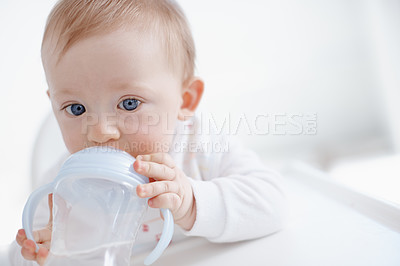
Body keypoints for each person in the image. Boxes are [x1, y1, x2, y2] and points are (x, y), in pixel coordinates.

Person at [11, 0, 286, 265]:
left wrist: (192, 203)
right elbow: (16, 253)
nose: (100, 132)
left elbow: (273, 204)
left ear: (186, 99)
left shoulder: (199, 149)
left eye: (129, 104)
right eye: (76, 108)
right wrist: (48, 249)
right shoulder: (67, 183)